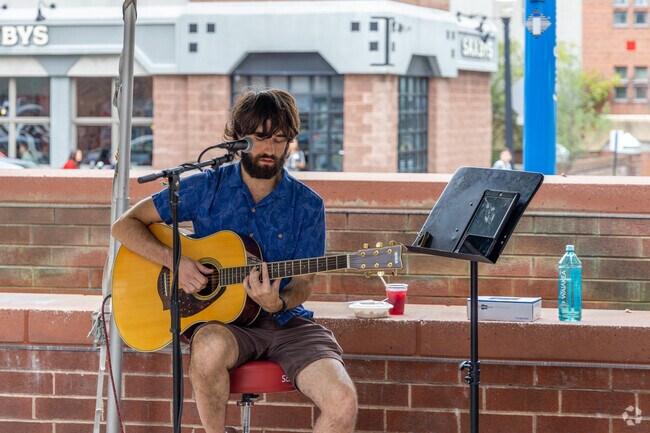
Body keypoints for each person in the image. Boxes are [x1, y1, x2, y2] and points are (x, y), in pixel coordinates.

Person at [111, 89, 358, 433]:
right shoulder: (205, 187)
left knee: (343, 403)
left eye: (279, 139)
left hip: (285, 323)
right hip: (224, 324)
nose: (269, 149)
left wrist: (279, 300)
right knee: (208, 347)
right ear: (238, 138)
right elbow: (124, 225)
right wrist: (176, 261)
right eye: (259, 138)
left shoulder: (308, 205)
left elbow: (304, 282)